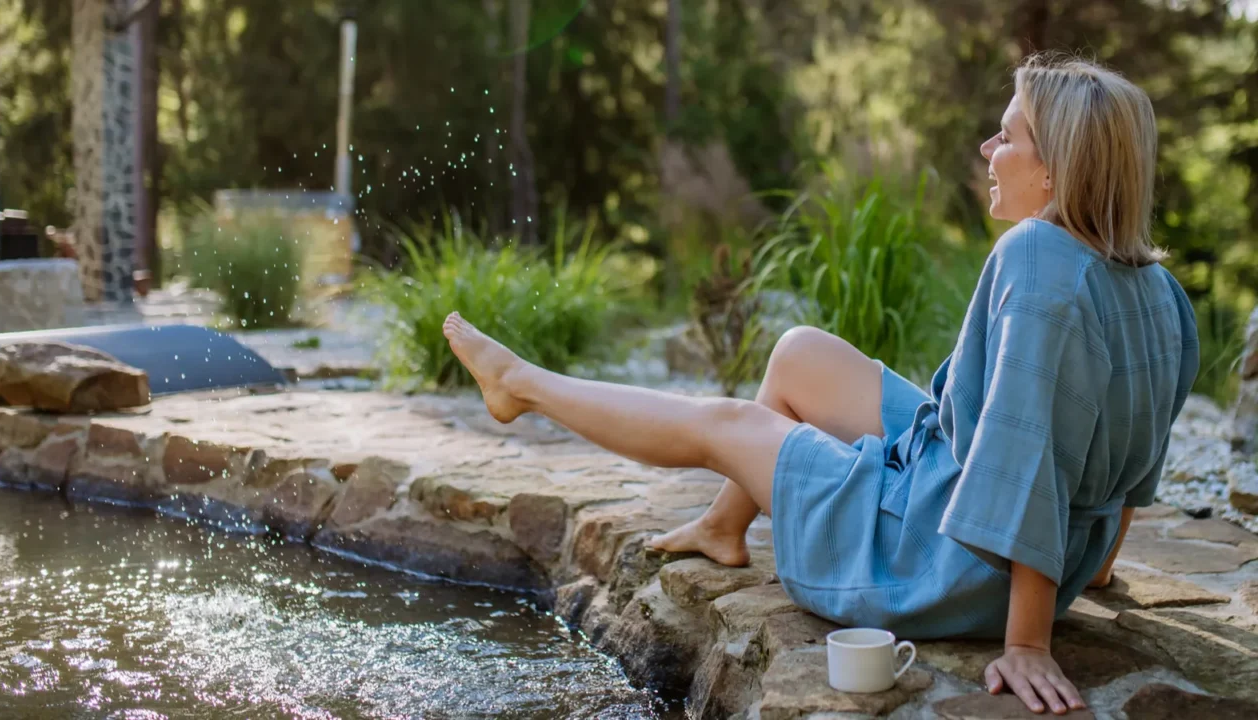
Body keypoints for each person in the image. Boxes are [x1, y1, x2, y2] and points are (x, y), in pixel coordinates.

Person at [441, 53, 1199, 716]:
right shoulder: (1156, 287)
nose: (987, 148)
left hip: (934, 560)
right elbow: (1134, 450)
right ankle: (723, 525)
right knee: (799, 352)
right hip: (1003, 531)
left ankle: (520, 383)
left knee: (723, 424)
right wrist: (1090, 568)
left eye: (1008, 137)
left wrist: (1028, 640)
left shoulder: (1035, 256)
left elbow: (1028, 453)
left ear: (1055, 170)